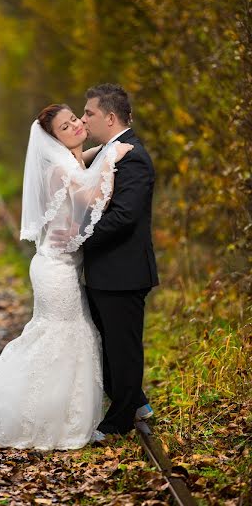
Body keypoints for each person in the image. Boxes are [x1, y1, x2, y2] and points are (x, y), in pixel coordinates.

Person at [0, 103, 133, 450]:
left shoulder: (70, 161)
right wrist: (113, 157)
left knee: (68, 336)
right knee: (66, 336)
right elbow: (92, 196)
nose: (77, 126)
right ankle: (42, 418)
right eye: (66, 128)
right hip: (54, 270)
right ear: (54, 141)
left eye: (75, 119)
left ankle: (58, 415)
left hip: (62, 264)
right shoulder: (60, 170)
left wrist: (100, 152)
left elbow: (83, 165)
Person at [80, 83, 159, 439]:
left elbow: (125, 215)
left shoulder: (135, 157)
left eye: (89, 113)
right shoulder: (109, 151)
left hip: (124, 272)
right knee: (106, 343)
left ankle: (120, 421)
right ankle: (137, 402)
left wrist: (79, 241)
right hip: (105, 271)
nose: (84, 119)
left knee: (122, 348)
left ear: (110, 117)